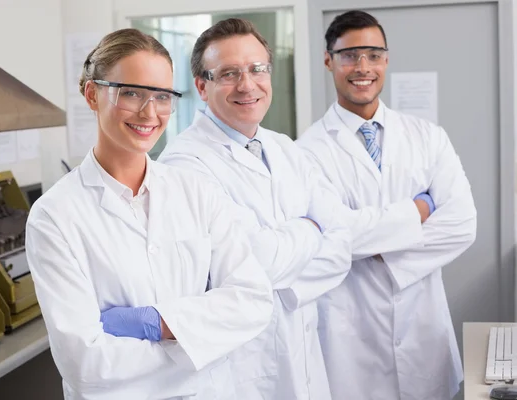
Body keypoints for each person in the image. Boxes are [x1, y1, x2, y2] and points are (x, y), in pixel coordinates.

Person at [159, 18, 435, 400]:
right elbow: (256, 262)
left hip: (305, 364)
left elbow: (341, 242)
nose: (247, 84)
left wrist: (284, 281)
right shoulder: (184, 165)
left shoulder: (285, 148)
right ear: (202, 87)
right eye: (229, 73)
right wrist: (309, 228)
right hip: (242, 375)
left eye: (257, 69)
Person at [25, 28, 274, 400]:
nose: (149, 112)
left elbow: (254, 302)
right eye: (130, 93)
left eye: (162, 96)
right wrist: (202, 347)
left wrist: (157, 324)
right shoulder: (55, 216)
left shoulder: (196, 192)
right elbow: (86, 366)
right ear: (93, 94)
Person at [296, 10, 477, 400]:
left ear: (387, 60)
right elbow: (339, 237)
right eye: (349, 55)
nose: (363, 67)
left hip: (424, 339)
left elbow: (462, 224)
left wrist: (378, 248)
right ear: (328, 60)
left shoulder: (428, 137)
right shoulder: (305, 153)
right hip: (350, 348)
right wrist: (418, 211)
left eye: (373, 55)